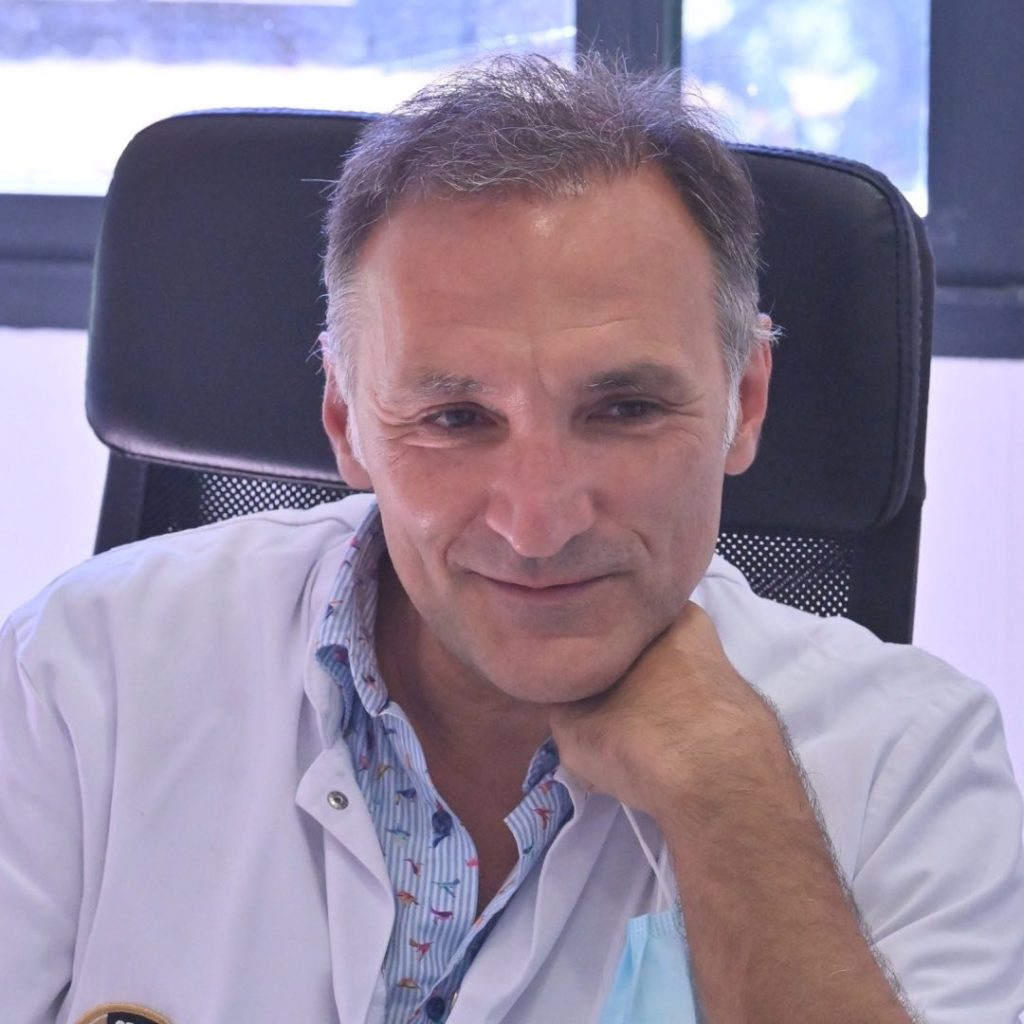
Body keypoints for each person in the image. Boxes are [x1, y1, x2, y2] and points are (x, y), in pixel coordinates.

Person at [1, 55, 1022, 1024]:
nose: (537, 525)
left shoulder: (910, 763)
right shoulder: (85, 674)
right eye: (454, 418)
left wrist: (729, 797)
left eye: (624, 409)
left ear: (744, 400)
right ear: (346, 420)